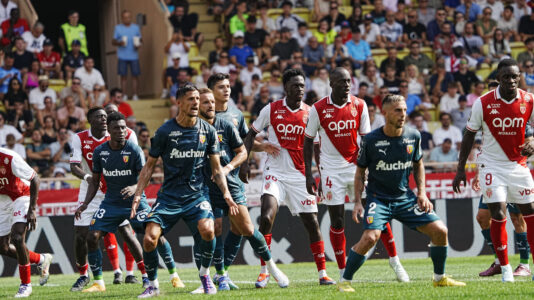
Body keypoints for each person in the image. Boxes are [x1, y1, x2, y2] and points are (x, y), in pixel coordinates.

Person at [131, 85, 274, 297]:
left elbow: (216, 168)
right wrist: (137, 195)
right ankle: (152, 285)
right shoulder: (164, 131)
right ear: (179, 102)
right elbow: (149, 166)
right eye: (191, 99)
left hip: (197, 195)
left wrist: (226, 194)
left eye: (198, 99)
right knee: (150, 239)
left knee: (208, 230)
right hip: (169, 197)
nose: (196, 103)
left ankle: (206, 277)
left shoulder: (207, 131)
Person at [338, 94, 466, 292]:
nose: (403, 114)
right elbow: (360, 172)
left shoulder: (413, 136)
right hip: (378, 200)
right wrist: (357, 202)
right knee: (370, 238)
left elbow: (419, 165)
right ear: (385, 112)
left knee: (440, 231)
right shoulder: (371, 140)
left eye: (405, 110)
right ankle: (345, 282)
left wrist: (422, 193)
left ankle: (439, 278)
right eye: (398, 110)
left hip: (405, 199)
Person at [304, 68, 408, 283]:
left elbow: (366, 140)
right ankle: (343, 271)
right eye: (342, 81)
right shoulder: (318, 108)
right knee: (337, 220)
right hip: (331, 171)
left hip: (356, 168)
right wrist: (310, 173)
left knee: (378, 214)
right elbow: (309, 141)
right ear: (332, 83)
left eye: (349, 81)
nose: (347, 85)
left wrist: (369, 167)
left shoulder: (359, 105)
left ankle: (395, 262)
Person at [239, 69, 334, 287]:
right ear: (286, 88)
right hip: (275, 173)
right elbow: (250, 134)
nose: (300, 89)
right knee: (266, 216)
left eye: (302, 85)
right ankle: (264, 271)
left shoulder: (311, 113)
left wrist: (319, 175)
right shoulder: (271, 109)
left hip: (301, 175)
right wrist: (244, 164)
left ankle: (322, 273)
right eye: (295, 85)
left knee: (312, 224)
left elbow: (317, 148)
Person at [190, 88, 287, 292]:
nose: (209, 106)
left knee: (247, 229)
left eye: (210, 102)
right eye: (204, 102)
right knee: (211, 230)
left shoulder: (225, 124)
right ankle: (217, 277)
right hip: (204, 188)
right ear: (197, 105)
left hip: (230, 184)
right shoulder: (191, 129)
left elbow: (243, 151)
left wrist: (228, 168)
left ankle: (272, 268)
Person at [452, 59, 534, 283]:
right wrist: (461, 169)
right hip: (492, 166)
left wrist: (533, 141)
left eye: (514, 76)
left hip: (518, 166)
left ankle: (526, 265)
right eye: (506, 76)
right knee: (495, 214)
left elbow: (531, 130)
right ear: (498, 78)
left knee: (527, 213)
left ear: (519, 77)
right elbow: (469, 134)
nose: (511, 80)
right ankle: (505, 268)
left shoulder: (528, 100)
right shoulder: (483, 102)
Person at [73, 112, 149, 293]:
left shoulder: (127, 140)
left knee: (134, 233)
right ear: (91, 119)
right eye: (100, 116)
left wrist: (134, 188)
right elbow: (79, 169)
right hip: (94, 189)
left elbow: (143, 173)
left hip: (117, 193)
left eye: (105, 116)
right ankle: (89, 278)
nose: (103, 119)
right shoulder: (82, 139)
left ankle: (144, 274)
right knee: (83, 235)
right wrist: (86, 191)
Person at [0, 147, 54, 297]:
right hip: (2, 200)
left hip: (21, 196)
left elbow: (35, 178)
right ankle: (41, 259)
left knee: (17, 238)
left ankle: (25, 285)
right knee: (2, 247)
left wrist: (32, 209)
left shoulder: (9, 158)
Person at [113, 10, 142, 101]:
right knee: (123, 76)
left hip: (134, 55)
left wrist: (138, 44)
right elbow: (113, 41)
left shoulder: (136, 28)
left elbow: (141, 40)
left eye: (129, 17)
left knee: (135, 76)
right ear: (122, 18)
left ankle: (135, 95)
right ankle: (124, 95)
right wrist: (120, 43)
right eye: (125, 17)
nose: (127, 19)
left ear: (131, 17)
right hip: (122, 56)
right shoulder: (118, 28)